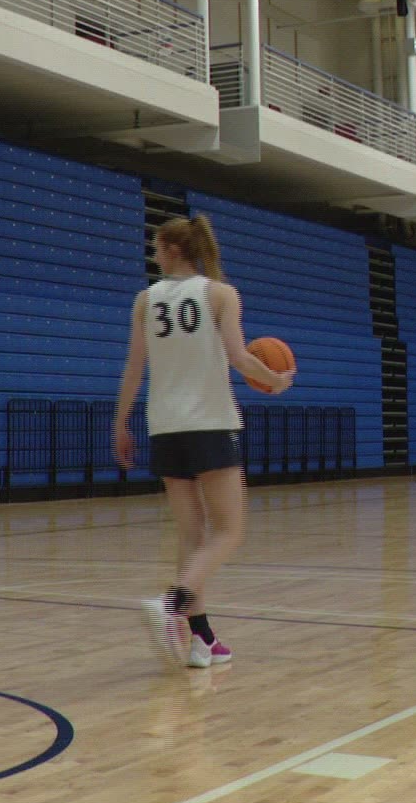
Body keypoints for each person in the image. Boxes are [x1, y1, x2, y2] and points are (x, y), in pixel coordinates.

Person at [113, 214, 291, 668]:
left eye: (156, 246)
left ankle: (202, 640)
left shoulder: (144, 300)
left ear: (174, 249)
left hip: (164, 427)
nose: (153, 254)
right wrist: (278, 379)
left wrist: (120, 424)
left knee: (193, 537)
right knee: (230, 532)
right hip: (210, 421)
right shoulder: (220, 294)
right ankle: (172, 604)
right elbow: (240, 360)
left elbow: (134, 368)